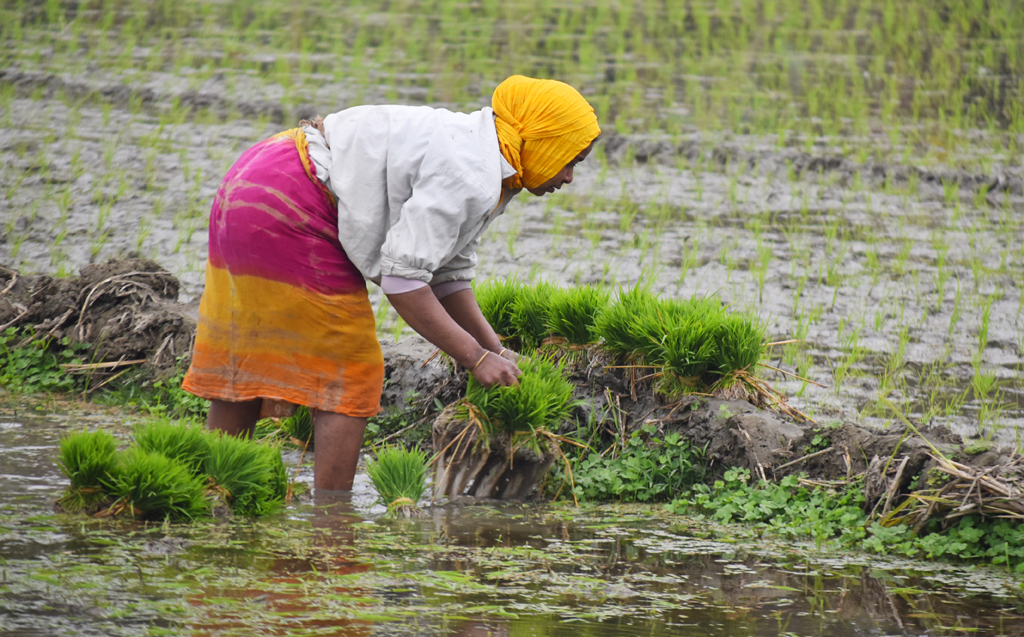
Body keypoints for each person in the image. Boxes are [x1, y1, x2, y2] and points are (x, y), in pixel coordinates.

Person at [181, 75, 600, 492]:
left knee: (249, 350)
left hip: (256, 177)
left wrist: (496, 349)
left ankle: (216, 488)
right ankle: (334, 521)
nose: (568, 178)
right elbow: (404, 281)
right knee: (352, 371)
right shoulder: (472, 173)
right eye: (571, 160)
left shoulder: (482, 154)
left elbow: (447, 275)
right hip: (293, 199)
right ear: (543, 141)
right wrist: (474, 358)